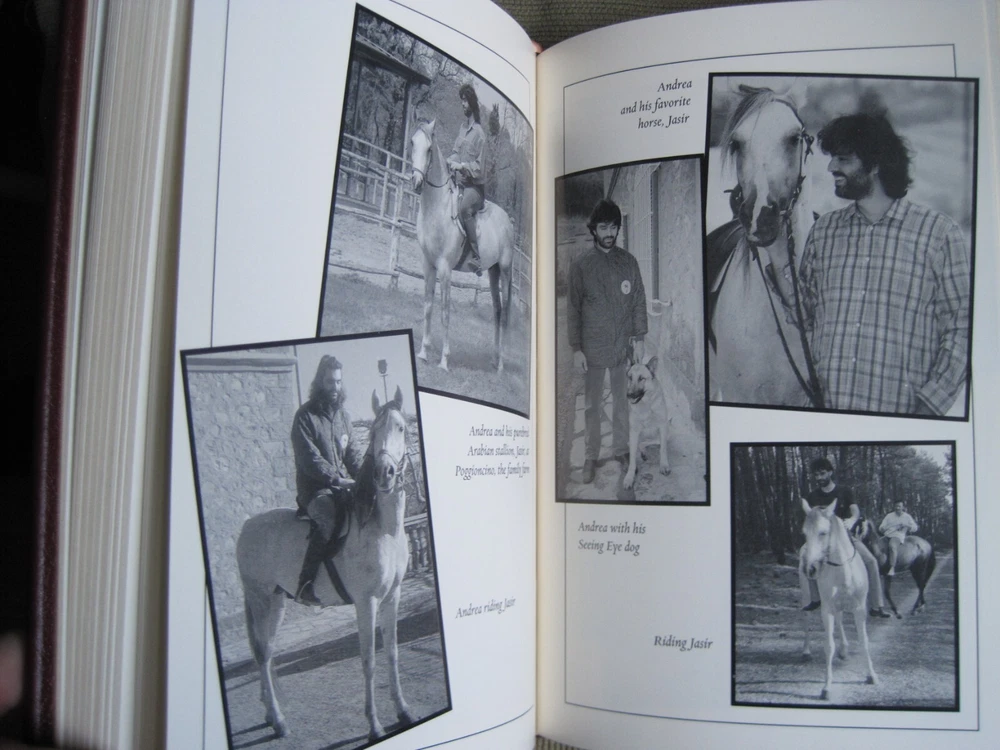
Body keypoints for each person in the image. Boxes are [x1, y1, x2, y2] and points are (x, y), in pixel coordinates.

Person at [793, 112, 970, 415]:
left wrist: (930, 406)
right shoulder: (823, 231)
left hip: (900, 417)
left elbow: (963, 327)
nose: (831, 167)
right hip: (825, 416)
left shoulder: (939, 234)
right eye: (833, 158)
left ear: (874, 164)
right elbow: (804, 318)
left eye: (843, 159)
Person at [567, 198, 648, 484]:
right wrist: (576, 349)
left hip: (621, 348)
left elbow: (638, 301)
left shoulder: (629, 263)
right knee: (591, 406)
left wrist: (639, 338)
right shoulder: (581, 266)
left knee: (622, 403)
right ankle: (590, 456)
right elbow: (573, 310)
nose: (609, 233)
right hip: (592, 349)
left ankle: (622, 449)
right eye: (603, 227)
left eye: (613, 227)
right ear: (594, 230)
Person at [292, 354, 363, 605]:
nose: (335, 387)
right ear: (320, 382)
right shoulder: (304, 417)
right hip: (315, 491)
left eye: (338, 382)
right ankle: (305, 584)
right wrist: (336, 480)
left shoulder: (344, 417)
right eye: (330, 382)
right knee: (328, 517)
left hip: (340, 488)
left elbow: (353, 455)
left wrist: (365, 478)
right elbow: (309, 459)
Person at [799, 457, 891, 618]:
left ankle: (876, 606)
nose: (819, 478)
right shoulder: (812, 496)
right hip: (822, 539)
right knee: (805, 557)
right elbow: (813, 520)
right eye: (816, 475)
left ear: (830, 472)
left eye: (822, 473)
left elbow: (855, 510)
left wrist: (852, 520)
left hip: (845, 537)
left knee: (871, 561)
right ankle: (815, 599)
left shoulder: (844, 491)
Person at [447, 83, 487, 275]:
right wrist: (450, 160)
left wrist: (462, 166)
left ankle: (477, 258)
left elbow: (479, 169)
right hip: (460, 184)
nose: (462, 104)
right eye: (461, 100)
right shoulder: (462, 129)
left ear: (472, 102)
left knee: (464, 209)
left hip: (475, 189)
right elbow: (455, 152)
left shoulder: (480, 134)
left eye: (465, 100)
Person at [879, 500, 919, 576]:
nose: (897, 508)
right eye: (896, 506)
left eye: (899, 506)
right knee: (877, 545)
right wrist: (882, 528)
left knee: (892, 546)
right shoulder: (889, 516)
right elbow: (881, 527)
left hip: (898, 536)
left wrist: (907, 525)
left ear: (902, 507)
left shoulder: (907, 517)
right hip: (887, 535)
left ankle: (892, 567)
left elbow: (915, 528)